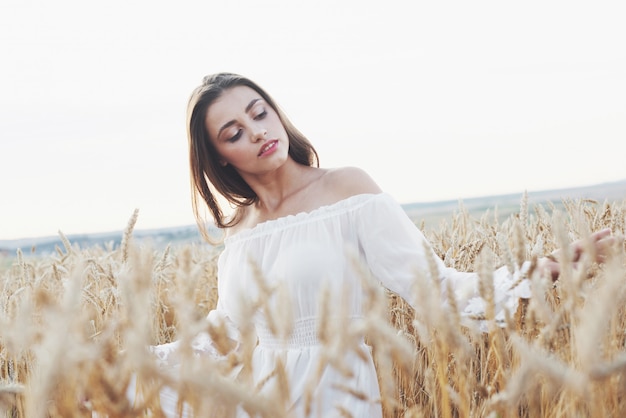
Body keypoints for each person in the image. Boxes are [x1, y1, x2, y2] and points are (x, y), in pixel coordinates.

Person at [133, 73, 617, 417]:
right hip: (263, 396)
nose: (257, 130)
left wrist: (548, 266)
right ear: (219, 158)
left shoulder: (347, 189)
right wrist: (133, 363)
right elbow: (229, 330)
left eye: (259, 112)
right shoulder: (239, 229)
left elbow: (438, 289)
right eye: (234, 132)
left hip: (336, 393)